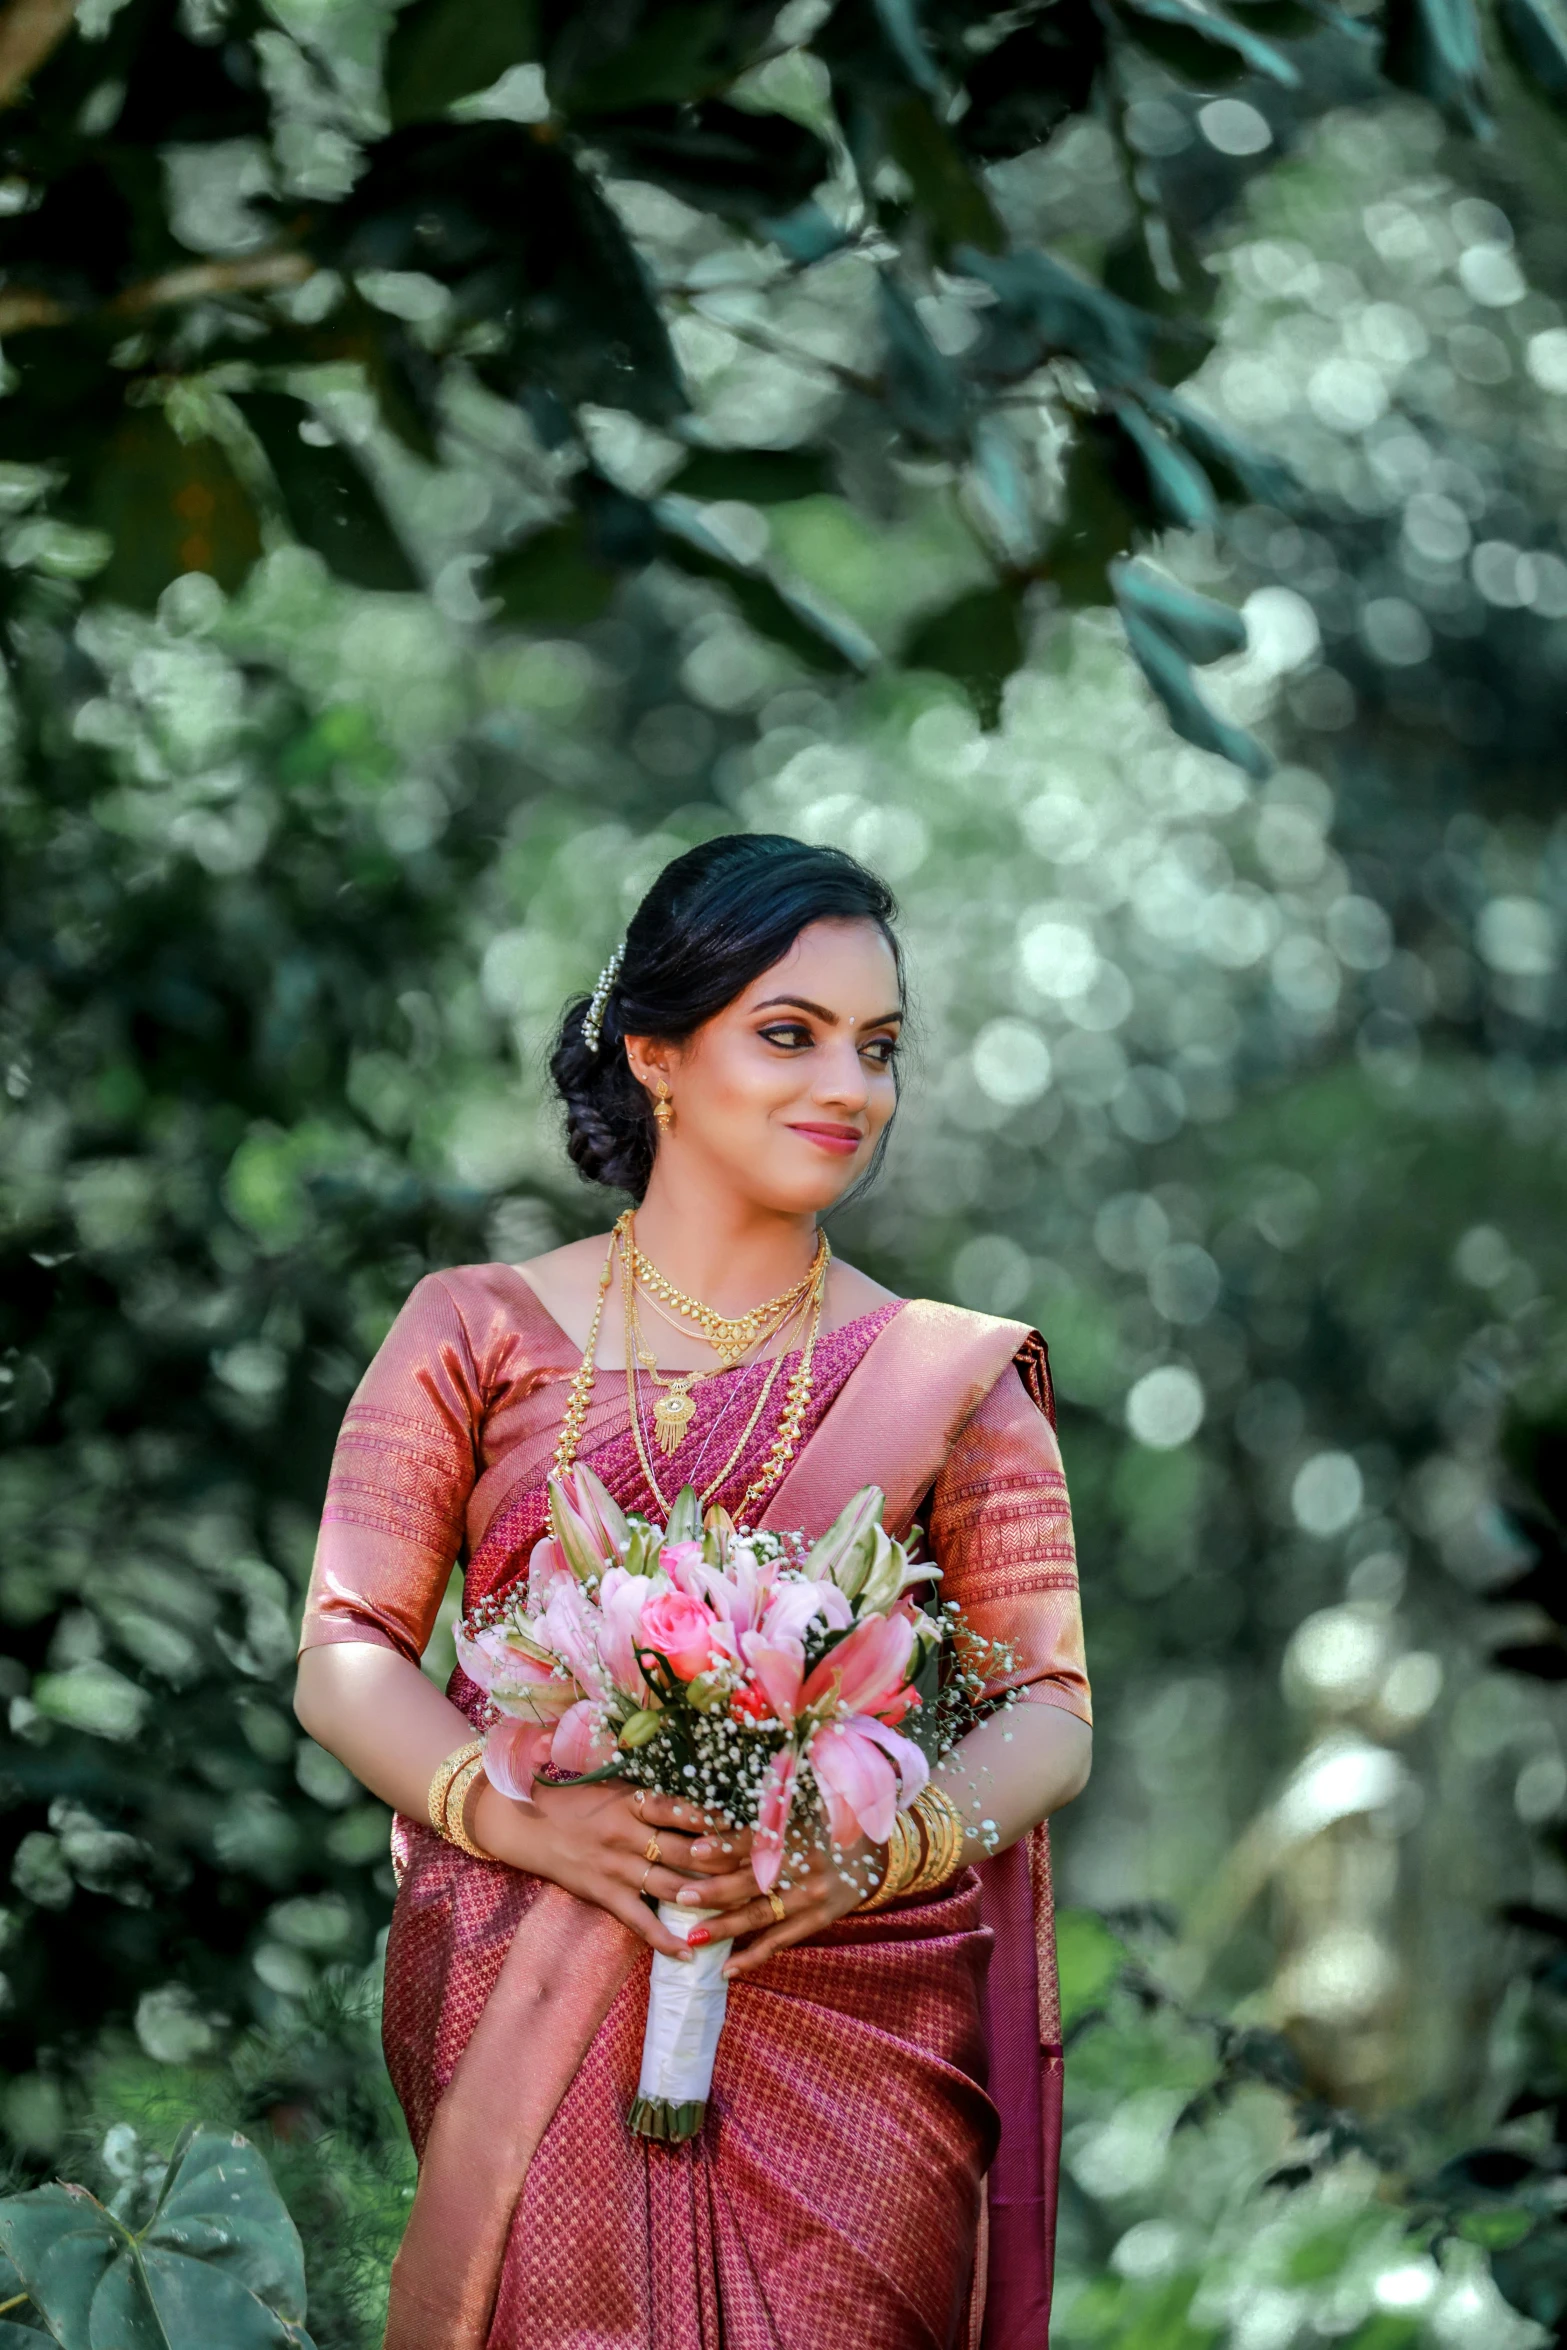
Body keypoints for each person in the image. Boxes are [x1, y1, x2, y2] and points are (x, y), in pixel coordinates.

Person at [293, 833, 1091, 2350]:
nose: (847, 1087)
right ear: (655, 1053)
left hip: (850, 2008)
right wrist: (530, 1820)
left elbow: (1047, 1708)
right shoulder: (474, 1330)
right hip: (527, 1975)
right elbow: (345, 1648)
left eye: (878, 1047)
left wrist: (877, 1854)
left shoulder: (953, 1379)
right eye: (786, 1034)